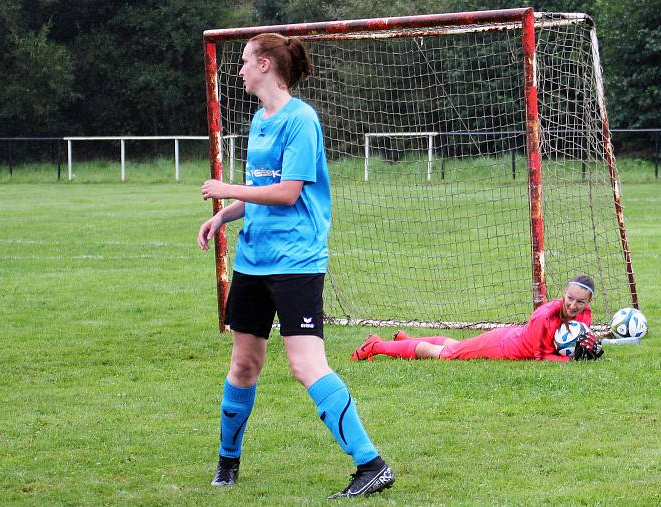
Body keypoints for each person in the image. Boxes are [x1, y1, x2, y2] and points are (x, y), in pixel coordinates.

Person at [197, 33, 393, 499]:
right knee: (243, 364)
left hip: (296, 261)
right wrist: (224, 215)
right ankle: (227, 464)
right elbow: (260, 190)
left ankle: (372, 464)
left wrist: (229, 191)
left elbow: (287, 192)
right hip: (253, 260)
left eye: (244, 62)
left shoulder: (301, 120)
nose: (239, 69)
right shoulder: (258, 120)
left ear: (265, 64)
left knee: (306, 365)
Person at [351, 276, 603, 362]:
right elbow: (539, 356)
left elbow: (577, 342)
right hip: (504, 346)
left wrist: (588, 349)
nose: (573, 305)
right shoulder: (544, 315)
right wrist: (568, 361)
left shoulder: (585, 316)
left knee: (454, 346)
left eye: (580, 302)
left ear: (587, 303)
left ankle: (406, 341)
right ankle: (376, 346)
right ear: (564, 293)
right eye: (570, 298)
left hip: (509, 340)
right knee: (446, 355)